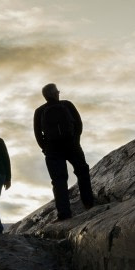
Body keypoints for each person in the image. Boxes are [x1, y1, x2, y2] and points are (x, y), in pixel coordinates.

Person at [33, 83, 95, 221]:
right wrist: (76, 140)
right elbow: (79, 124)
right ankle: (89, 203)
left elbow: (37, 133)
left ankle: (64, 213)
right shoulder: (67, 105)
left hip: (53, 150)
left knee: (59, 182)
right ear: (56, 94)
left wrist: (45, 148)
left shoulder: (39, 111)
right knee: (82, 172)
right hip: (71, 145)